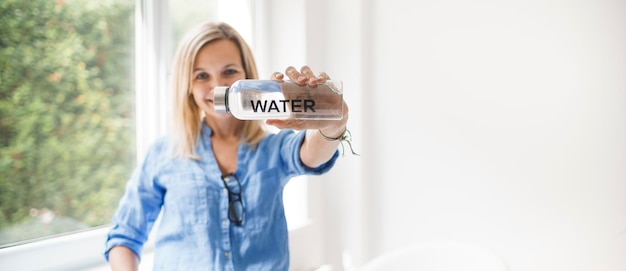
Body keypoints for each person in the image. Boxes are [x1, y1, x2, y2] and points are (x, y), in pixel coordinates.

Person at [103, 20, 351, 270]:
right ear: (187, 86)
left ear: (247, 76)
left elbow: (313, 153)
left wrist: (333, 122)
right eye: (202, 75)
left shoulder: (272, 149)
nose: (218, 86)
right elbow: (125, 237)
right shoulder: (163, 154)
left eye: (229, 72)